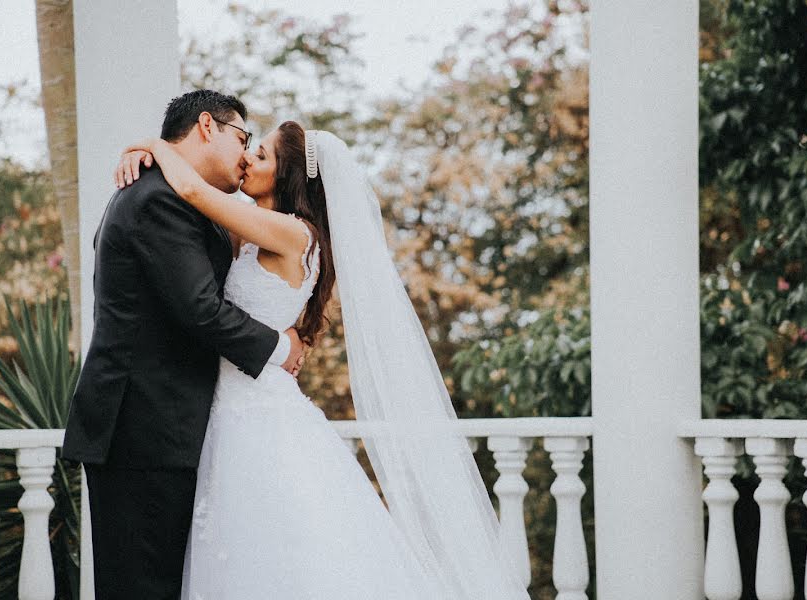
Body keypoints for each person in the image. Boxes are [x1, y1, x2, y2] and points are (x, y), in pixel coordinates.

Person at [116, 121, 531, 599]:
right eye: (251, 149)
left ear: (291, 179)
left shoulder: (294, 233)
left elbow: (190, 187)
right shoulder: (252, 233)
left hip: (256, 417)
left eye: (264, 156)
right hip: (228, 408)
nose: (249, 158)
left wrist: (152, 145)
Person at [61, 90, 306, 599]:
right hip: (143, 430)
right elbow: (200, 309)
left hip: (168, 428)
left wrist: (152, 148)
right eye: (243, 138)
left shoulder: (177, 199)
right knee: (143, 586)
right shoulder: (159, 201)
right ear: (206, 127)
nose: (245, 155)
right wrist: (281, 350)